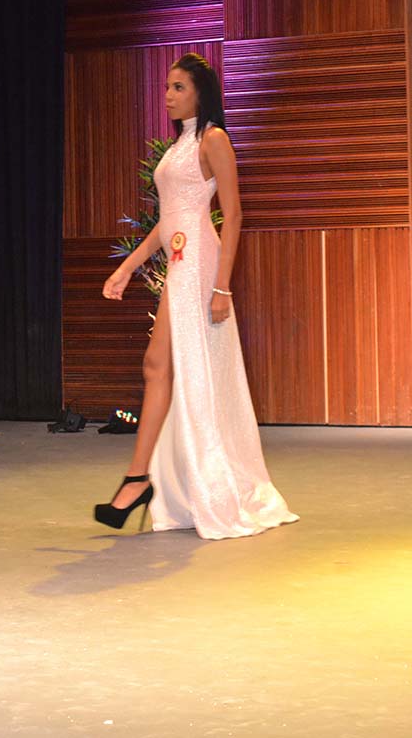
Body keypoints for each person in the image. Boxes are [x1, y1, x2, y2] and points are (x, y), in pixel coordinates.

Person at [93, 53, 299, 540]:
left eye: (179, 87)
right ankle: (138, 478)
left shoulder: (213, 139)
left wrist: (223, 286)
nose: (168, 95)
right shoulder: (180, 143)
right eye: (167, 86)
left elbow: (235, 214)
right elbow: (168, 222)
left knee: (166, 367)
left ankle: (140, 480)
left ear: (201, 93)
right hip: (179, 263)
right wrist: (127, 266)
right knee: (157, 366)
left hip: (200, 264)